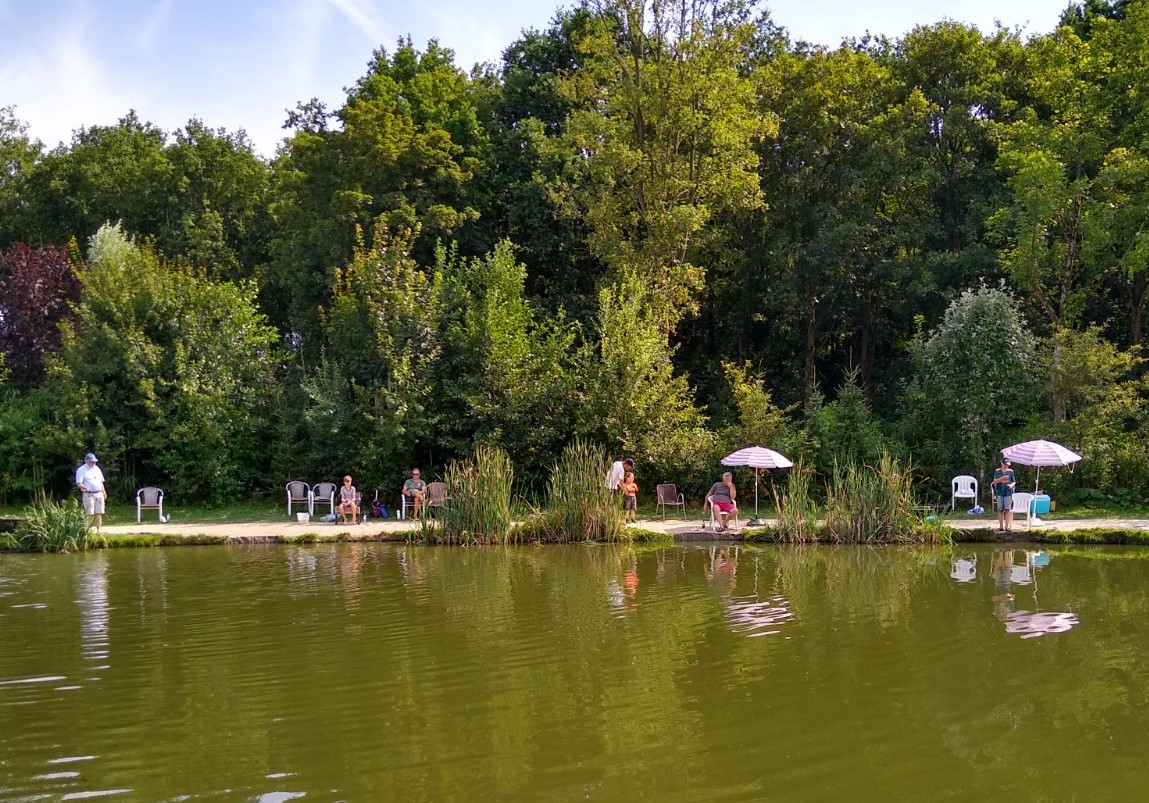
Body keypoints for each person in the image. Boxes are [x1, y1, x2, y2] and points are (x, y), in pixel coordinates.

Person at [74, 452, 107, 534]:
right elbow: (79, 483)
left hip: (99, 493)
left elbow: (101, 482)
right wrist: (86, 487)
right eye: (92, 461)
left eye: (94, 461)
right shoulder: (81, 470)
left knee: (99, 513)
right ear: (87, 461)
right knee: (89, 513)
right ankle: (87, 531)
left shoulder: (97, 469)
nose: (94, 463)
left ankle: (98, 531)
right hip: (89, 494)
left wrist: (104, 492)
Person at [992, 456, 1017, 533]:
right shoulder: (997, 471)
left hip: (1008, 493)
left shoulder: (1011, 472)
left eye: (1008, 464)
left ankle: (1007, 527)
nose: (1007, 466)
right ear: (1001, 463)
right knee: (1000, 509)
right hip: (999, 492)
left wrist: (1011, 485)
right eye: (1005, 464)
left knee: (1007, 509)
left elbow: (1014, 481)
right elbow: (995, 481)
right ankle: (1001, 527)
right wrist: (1002, 478)